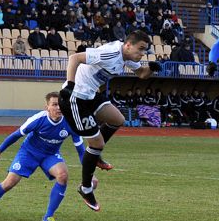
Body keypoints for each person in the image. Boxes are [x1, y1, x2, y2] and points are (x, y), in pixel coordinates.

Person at [58, 30, 162, 211]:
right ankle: (86, 187)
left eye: (145, 50)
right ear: (128, 45)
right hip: (75, 98)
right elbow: (75, 58)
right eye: (141, 49)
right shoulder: (110, 53)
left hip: (90, 95)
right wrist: (69, 86)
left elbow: (142, 74)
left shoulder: (126, 57)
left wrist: (152, 67)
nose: (143, 53)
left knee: (118, 119)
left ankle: (95, 155)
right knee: (96, 143)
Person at [0, 92, 89, 221]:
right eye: (54, 105)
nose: (58, 108)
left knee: (63, 175)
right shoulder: (38, 119)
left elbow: (81, 150)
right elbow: (16, 135)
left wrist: (89, 174)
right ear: (47, 107)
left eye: (60, 105)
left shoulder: (71, 122)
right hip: (29, 153)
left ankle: (49, 217)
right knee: (9, 183)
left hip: (50, 155)